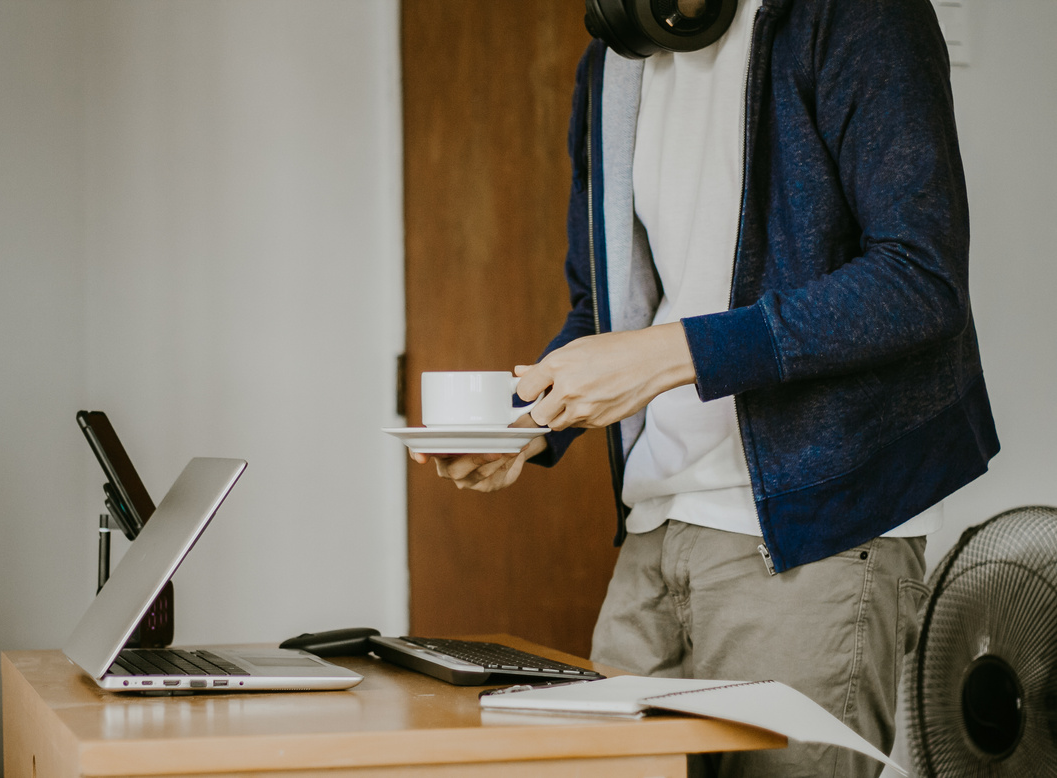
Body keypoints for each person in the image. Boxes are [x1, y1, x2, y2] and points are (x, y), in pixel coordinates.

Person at [412, 0, 999, 775]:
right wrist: (531, 423)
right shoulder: (612, 67)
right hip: (657, 526)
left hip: (811, 534)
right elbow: (609, 310)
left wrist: (672, 354)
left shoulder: (859, 15)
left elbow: (918, 279)